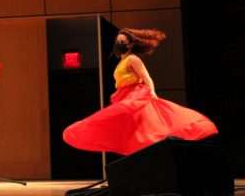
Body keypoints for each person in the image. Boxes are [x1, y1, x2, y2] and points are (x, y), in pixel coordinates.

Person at [63, 28, 218, 156]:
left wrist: (152, 93)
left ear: (130, 45)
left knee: (142, 127)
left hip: (135, 95)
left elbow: (146, 77)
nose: (119, 43)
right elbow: (123, 81)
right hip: (124, 95)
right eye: (118, 41)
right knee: (129, 128)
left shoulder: (133, 59)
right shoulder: (121, 62)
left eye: (122, 41)